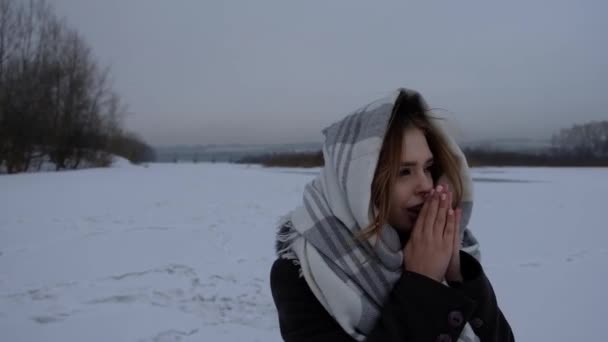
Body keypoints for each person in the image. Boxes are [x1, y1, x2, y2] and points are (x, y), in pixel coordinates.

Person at [269, 88, 514, 342]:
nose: (426, 185)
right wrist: (422, 286)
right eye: (404, 172)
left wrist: (459, 276)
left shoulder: (437, 247)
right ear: (358, 185)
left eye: (428, 168)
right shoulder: (306, 271)